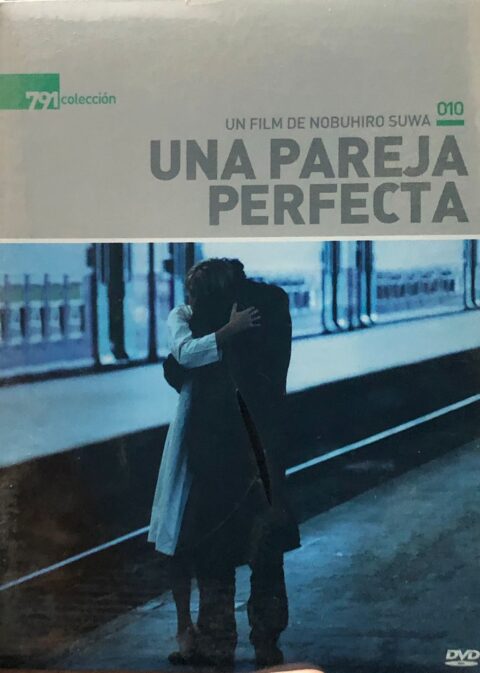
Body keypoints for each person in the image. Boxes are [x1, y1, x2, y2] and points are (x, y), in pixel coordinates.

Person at [149, 258, 300, 669]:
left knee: (215, 555)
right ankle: (267, 645)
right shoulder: (273, 307)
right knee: (266, 555)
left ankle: (218, 644)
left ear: (208, 290)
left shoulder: (209, 315)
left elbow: (175, 368)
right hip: (263, 450)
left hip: (217, 455)